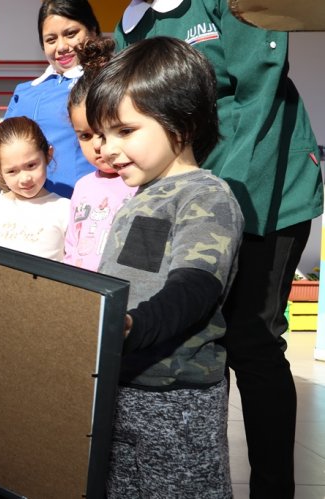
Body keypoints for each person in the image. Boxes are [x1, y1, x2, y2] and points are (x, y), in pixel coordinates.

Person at [112, 2, 324, 497]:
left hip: (260, 187)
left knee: (250, 338)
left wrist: (208, 195)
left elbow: (258, 95)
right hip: (173, 190)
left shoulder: (228, 4)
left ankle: (272, 488)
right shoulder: (133, 21)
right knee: (183, 327)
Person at [88, 37, 244, 497]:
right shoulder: (142, 198)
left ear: (182, 122)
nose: (107, 148)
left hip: (177, 398)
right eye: (101, 134)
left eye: (124, 130)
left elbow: (194, 289)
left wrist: (131, 325)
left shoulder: (205, 195)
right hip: (122, 385)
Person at [3, 0, 100, 198]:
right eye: (51, 39)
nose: (62, 46)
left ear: (93, 30)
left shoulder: (107, 85)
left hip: (89, 208)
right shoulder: (24, 92)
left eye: (71, 34)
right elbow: (1, 153)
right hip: (28, 212)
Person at [63, 38, 136, 270]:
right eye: (84, 136)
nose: (96, 145)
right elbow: (71, 247)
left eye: (102, 132)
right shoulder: (83, 187)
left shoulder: (142, 184)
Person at [0, 116, 70, 261]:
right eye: (12, 171)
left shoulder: (65, 210)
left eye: (31, 165)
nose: (25, 179)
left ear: (48, 155)